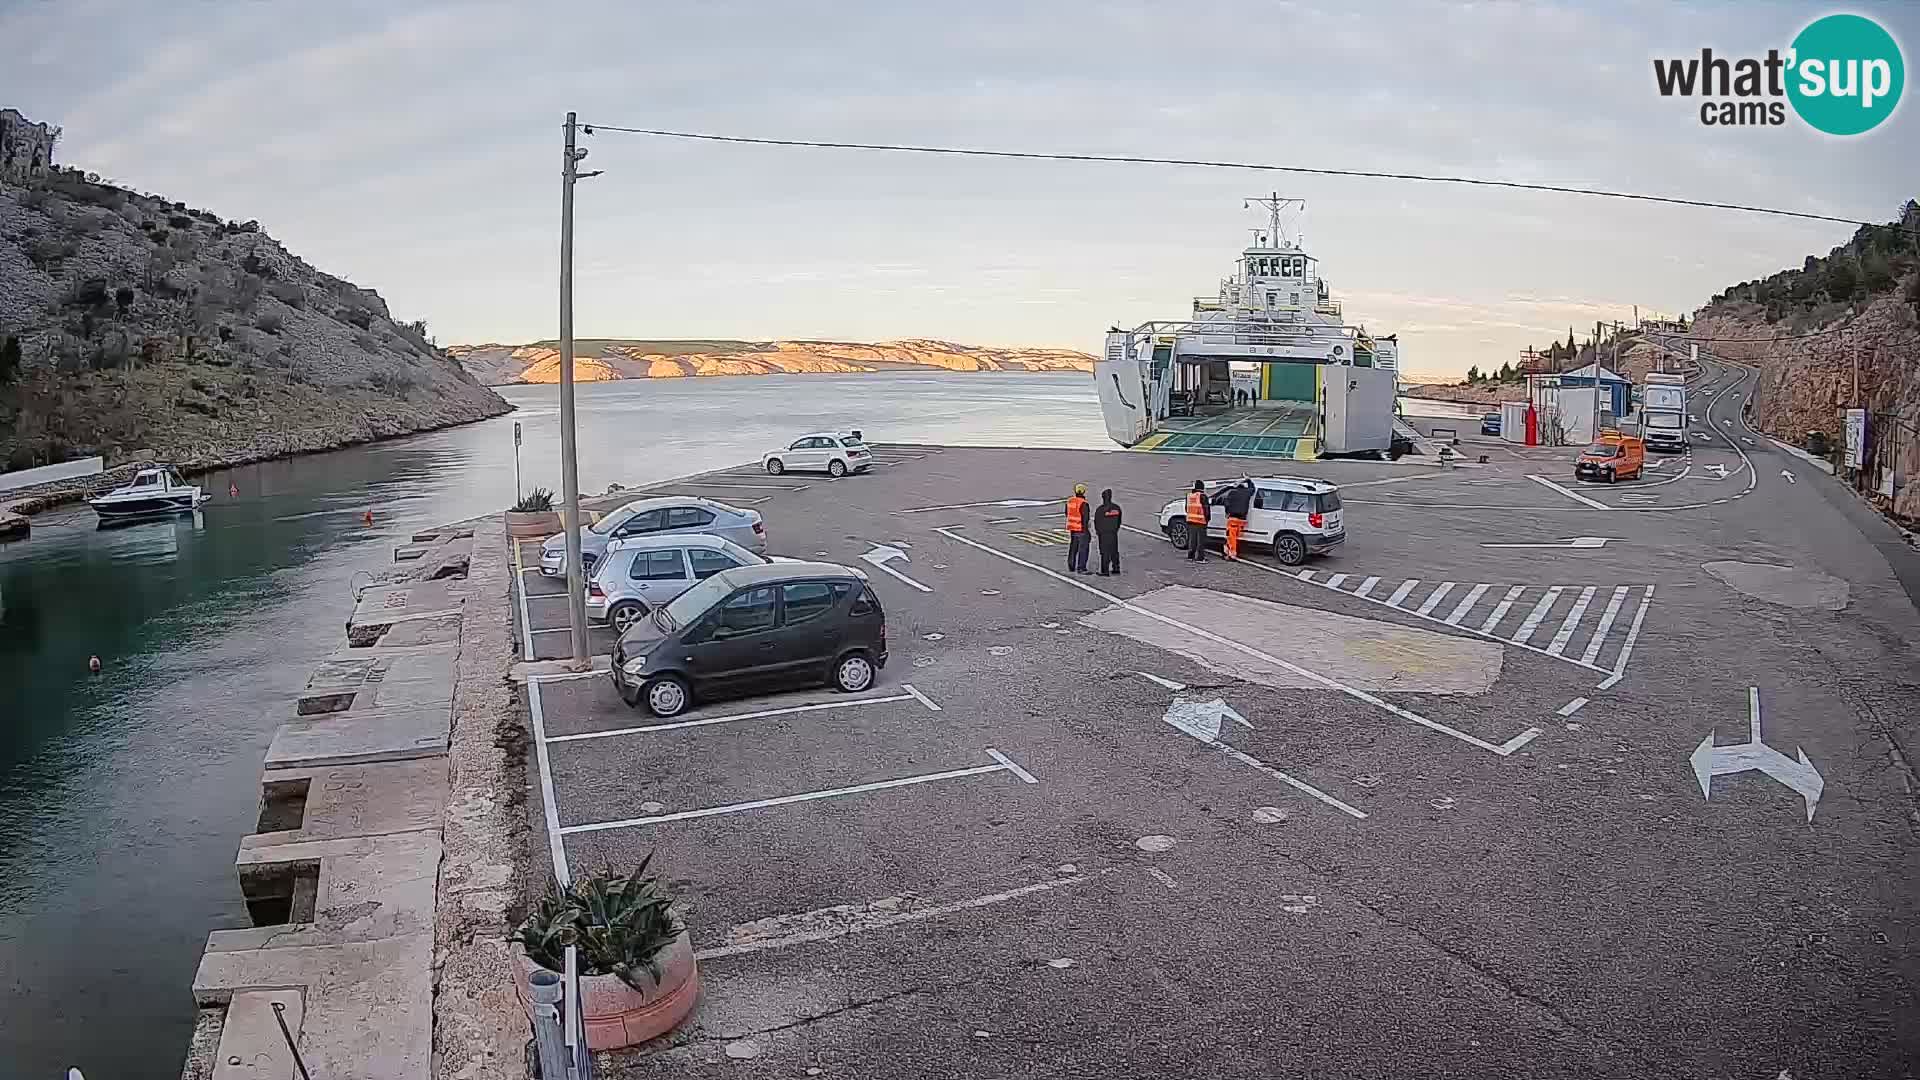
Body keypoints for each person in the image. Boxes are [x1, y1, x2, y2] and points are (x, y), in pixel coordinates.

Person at [1212, 477, 1254, 560]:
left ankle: (1231, 554)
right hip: (1242, 520)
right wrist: (1248, 480)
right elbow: (1252, 488)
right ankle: (1228, 551)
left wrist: (1227, 513)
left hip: (1233, 519)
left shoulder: (1232, 493)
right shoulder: (1247, 493)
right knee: (1235, 537)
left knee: (1231, 538)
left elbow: (1226, 503)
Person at [1094, 488, 1123, 575]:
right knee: (1114, 551)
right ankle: (1116, 568)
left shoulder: (1100, 509)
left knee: (1104, 552)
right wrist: (1115, 529)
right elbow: (1119, 521)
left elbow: (1097, 522)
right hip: (1113, 533)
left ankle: (1105, 570)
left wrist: (1098, 532)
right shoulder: (1116, 508)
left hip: (1103, 534)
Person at [1064, 483, 1091, 573]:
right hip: (1081, 529)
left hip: (1072, 528)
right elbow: (1085, 518)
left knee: (1073, 547)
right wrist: (1086, 530)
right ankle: (1081, 567)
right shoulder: (1083, 503)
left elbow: (1067, 513)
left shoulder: (1070, 501)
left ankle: (1071, 565)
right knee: (1083, 548)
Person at [1184, 480, 1210, 561]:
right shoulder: (1203, 496)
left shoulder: (1189, 496)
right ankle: (1200, 558)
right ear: (1202, 487)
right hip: (1201, 521)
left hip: (1191, 520)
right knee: (1201, 541)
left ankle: (1190, 556)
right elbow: (1206, 510)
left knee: (1192, 540)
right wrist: (1207, 519)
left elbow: (1186, 508)